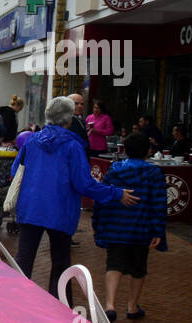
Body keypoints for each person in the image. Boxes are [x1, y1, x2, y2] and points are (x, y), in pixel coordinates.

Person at [11, 96, 138, 298]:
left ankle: (14, 302)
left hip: (30, 206)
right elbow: (83, 183)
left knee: (24, 258)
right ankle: (60, 307)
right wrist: (115, 193)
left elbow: (16, 170)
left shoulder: (32, 141)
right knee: (60, 262)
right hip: (60, 210)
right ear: (69, 119)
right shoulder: (73, 146)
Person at [93, 132, 166, 322]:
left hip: (116, 228)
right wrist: (158, 229)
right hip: (141, 228)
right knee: (138, 268)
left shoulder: (114, 170)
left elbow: (103, 197)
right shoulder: (153, 173)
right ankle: (132, 307)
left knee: (114, 264)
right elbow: (158, 203)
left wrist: (98, 224)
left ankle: (110, 304)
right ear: (148, 151)